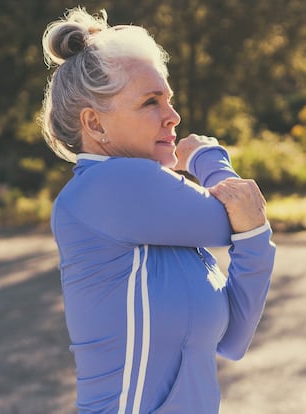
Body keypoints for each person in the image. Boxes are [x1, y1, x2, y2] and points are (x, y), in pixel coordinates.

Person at [40, 7, 275, 414]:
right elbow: (236, 212)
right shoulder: (108, 184)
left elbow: (234, 337)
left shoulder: (163, 220)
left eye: (169, 99)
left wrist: (252, 232)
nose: (174, 117)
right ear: (95, 125)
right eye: (151, 102)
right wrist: (207, 157)